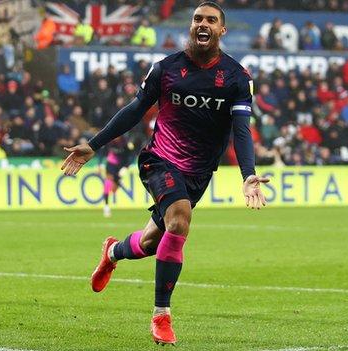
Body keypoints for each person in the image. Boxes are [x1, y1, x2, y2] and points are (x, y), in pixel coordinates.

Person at [61, 1, 269, 345]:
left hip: (199, 173)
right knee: (179, 219)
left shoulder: (237, 77)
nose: (203, 24)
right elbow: (134, 110)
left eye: (211, 20)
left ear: (222, 30)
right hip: (159, 160)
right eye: (198, 18)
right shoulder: (166, 69)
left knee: (149, 242)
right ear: (191, 26)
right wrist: (94, 145)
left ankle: (112, 252)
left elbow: (241, 130)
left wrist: (248, 173)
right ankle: (161, 315)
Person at [100, 136, 134, 218]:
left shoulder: (126, 143)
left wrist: (126, 167)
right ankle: (106, 206)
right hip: (111, 164)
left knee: (114, 189)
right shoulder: (109, 141)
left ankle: (117, 182)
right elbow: (102, 152)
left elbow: (131, 156)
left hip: (121, 166)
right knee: (108, 183)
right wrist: (100, 163)